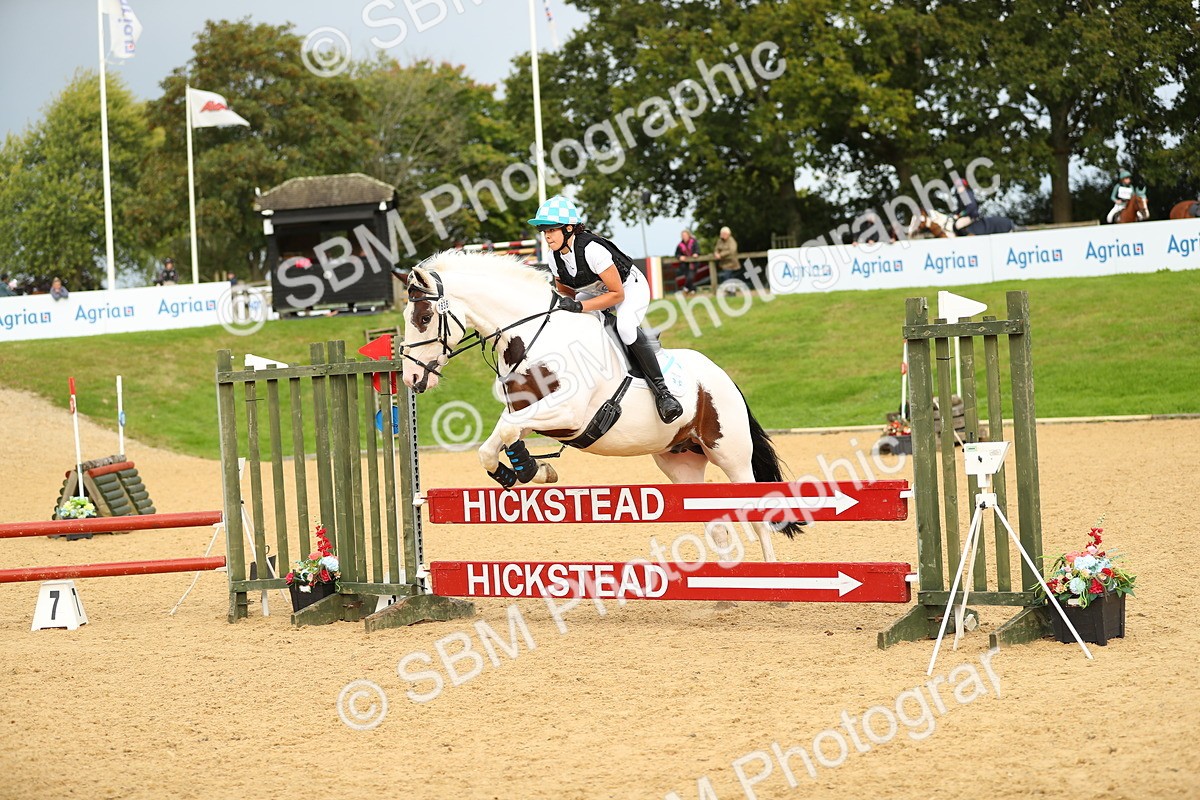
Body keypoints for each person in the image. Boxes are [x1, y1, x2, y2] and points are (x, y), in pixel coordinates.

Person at [527, 194, 683, 423]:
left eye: (551, 230)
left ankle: (663, 393)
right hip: (596, 291)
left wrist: (580, 305)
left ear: (569, 229)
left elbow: (617, 294)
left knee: (626, 327)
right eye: (544, 231)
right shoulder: (554, 257)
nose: (547, 236)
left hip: (629, 288)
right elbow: (567, 294)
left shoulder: (592, 249)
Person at [674, 229, 700, 294]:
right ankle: (692, 290)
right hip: (685, 265)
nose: (684, 236)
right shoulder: (680, 245)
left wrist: (696, 253)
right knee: (688, 277)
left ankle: (685, 288)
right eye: (682, 235)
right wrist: (680, 257)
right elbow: (677, 254)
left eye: (685, 235)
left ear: (688, 235)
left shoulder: (694, 242)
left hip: (694, 263)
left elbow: (698, 250)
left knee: (690, 277)